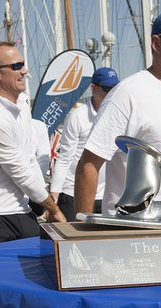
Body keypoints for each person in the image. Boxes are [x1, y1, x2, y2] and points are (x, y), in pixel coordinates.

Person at [74, 9, 161, 215]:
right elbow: (89, 164)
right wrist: (81, 234)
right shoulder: (128, 93)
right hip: (132, 228)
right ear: (156, 44)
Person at [0, 41, 66, 252]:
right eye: (16, 66)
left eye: (23, 64)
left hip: (19, 210)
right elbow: (20, 172)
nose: (25, 70)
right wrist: (54, 209)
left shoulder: (21, 106)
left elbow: (30, 161)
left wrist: (44, 202)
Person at [50, 67, 119, 221]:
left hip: (108, 195)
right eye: (108, 89)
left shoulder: (120, 115)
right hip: (75, 192)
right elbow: (65, 156)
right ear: (93, 88)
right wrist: (55, 191)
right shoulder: (77, 116)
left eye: (116, 88)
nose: (113, 93)